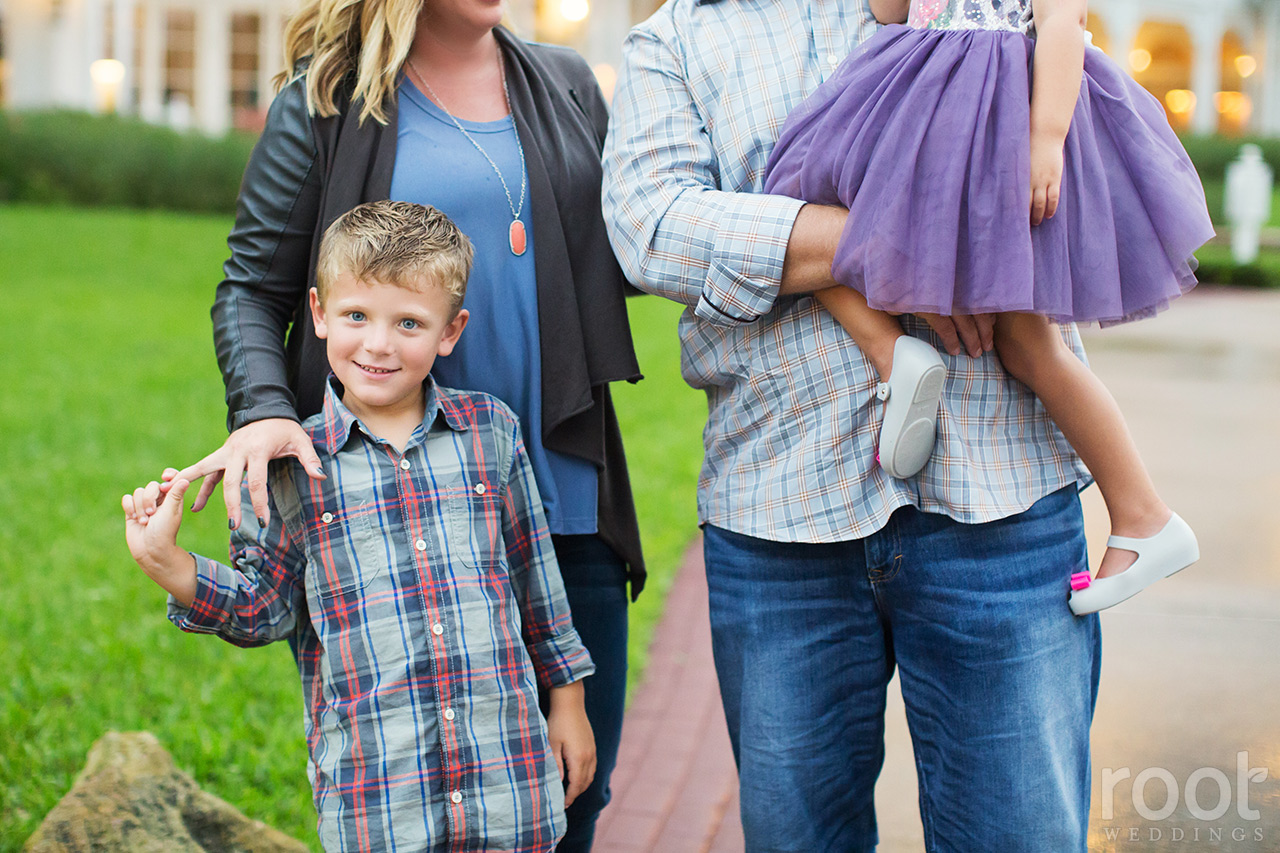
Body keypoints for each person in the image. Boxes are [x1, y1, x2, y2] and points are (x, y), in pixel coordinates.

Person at [602, 1, 1101, 850]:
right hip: (779, 518)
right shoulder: (677, 38)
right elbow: (653, 228)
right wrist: (911, 234)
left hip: (1001, 500)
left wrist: (786, 229)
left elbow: (1056, 170)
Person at [165, 3, 642, 848]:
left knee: (572, 796)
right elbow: (250, 288)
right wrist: (266, 412)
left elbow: (632, 248)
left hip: (560, 496)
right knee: (412, 801)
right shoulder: (329, 100)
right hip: (386, 517)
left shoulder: (567, 84)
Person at [125, 201, 596, 852]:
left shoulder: (491, 432)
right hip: (380, 802)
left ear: (450, 330)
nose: (378, 343)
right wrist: (168, 564)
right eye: (356, 316)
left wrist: (567, 702)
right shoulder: (291, 465)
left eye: (409, 322)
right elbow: (263, 609)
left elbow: (535, 580)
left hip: (508, 786)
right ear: (318, 313)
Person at [762, 0, 1211, 614]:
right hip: (926, 102)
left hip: (1000, 120)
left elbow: (1062, 22)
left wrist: (1046, 137)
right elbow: (890, 12)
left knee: (1030, 346)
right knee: (795, 200)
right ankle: (894, 352)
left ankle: (1144, 514)